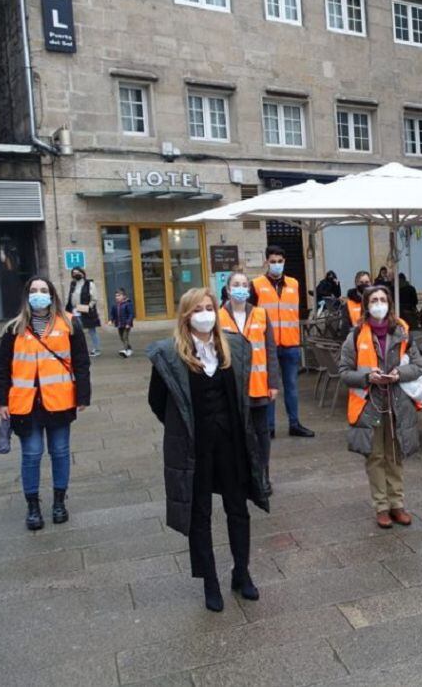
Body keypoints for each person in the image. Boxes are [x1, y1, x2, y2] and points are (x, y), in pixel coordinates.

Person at [148, 288, 269, 612]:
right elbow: (158, 402)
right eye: (198, 309)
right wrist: (185, 427)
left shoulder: (234, 348)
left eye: (209, 308)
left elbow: (241, 395)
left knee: (238, 509)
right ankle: (210, 581)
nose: (205, 314)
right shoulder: (170, 355)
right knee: (199, 514)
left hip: (231, 444)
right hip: (196, 448)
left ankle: (241, 572)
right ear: (186, 316)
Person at [0, 276, 91, 530]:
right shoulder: (14, 328)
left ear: (52, 295)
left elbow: (81, 362)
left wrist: (83, 395)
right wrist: (1, 401)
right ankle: (33, 507)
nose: (39, 294)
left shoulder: (69, 323)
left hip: (59, 401)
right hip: (25, 404)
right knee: (32, 454)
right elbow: (3, 368)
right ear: (27, 295)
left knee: (60, 452)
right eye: (34, 290)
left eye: (43, 290)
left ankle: (59, 502)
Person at [338, 286, 422, 528]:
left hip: (398, 403)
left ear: (389, 303)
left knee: (395, 454)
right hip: (370, 405)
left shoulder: (402, 332)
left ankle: (397, 503)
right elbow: (344, 372)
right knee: (375, 456)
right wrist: (368, 377)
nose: (379, 304)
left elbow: (419, 365)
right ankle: (381, 506)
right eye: (374, 300)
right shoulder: (356, 335)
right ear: (366, 306)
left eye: (382, 300)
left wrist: (399, 374)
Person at [221, 272, 280, 496]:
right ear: (228, 289)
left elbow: (271, 351)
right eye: (236, 284)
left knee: (261, 433)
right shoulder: (218, 317)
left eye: (244, 284)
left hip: (258, 386)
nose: (241, 288)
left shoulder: (261, 314)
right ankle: (243, 477)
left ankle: (262, 476)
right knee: (236, 435)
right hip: (233, 388)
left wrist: (273, 383)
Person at [251, 246, 314, 438]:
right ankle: (269, 427)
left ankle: (294, 424)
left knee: (292, 387)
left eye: (279, 261)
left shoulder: (294, 284)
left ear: (284, 262)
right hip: (266, 346)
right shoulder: (256, 285)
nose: (276, 264)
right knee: (269, 388)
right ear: (266, 262)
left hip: (290, 343)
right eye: (273, 261)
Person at [66, 267, 102, 357]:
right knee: (77, 331)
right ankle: (80, 350)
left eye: (78, 272)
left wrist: (88, 307)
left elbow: (94, 298)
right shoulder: (73, 284)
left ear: (82, 273)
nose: (76, 274)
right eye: (74, 273)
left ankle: (97, 349)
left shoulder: (89, 284)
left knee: (91, 331)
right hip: (74, 310)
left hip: (85, 310)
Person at [340, 271, 373, 340]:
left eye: (367, 282)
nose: (364, 285)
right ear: (356, 284)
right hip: (355, 339)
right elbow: (345, 328)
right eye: (361, 282)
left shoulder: (377, 301)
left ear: (371, 283)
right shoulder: (348, 304)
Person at [110, 287, 135, 357]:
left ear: (124, 296)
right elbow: (113, 314)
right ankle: (129, 349)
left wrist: (128, 323)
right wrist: (111, 320)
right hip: (119, 324)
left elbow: (131, 314)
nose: (117, 297)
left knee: (125, 337)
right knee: (122, 338)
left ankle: (126, 351)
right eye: (116, 296)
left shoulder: (128, 304)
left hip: (126, 325)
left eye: (119, 295)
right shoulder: (115, 305)